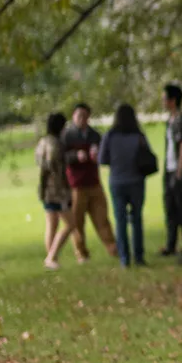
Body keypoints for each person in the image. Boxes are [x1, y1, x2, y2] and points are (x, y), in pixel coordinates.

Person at [61, 103, 118, 263]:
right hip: (76, 185)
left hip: (94, 182)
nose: (82, 119)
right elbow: (62, 158)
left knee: (102, 218)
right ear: (73, 116)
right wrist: (75, 156)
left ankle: (113, 248)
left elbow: (104, 154)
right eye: (79, 116)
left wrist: (96, 156)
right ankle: (81, 253)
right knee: (77, 222)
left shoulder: (95, 135)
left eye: (85, 116)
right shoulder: (67, 135)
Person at [99, 104, 153, 268]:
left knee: (120, 220)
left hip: (117, 181)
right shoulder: (138, 136)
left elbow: (102, 159)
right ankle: (139, 256)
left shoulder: (110, 136)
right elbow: (147, 157)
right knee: (136, 219)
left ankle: (124, 258)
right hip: (136, 181)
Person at [161, 84, 182, 255]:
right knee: (170, 208)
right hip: (168, 169)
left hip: (178, 170)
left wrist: (180, 171)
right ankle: (171, 244)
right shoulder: (170, 120)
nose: (163, 101)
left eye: (164, 98)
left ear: (172, 100)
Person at [35, 112, 72, 270]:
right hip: (57, 191)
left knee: (51, 224)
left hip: (46, 190)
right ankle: (51, 257)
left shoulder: (42, 142)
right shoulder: (56, 144)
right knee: (70, 224)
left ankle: (51, 259)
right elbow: (56, 169)